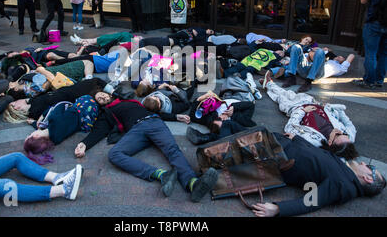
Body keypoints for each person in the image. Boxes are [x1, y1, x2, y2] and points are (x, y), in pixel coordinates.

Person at [74, 92, 219, 202]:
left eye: (103, 94)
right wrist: (84, 144)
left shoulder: (130, 100)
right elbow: (99, 130)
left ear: (109, 94)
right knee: (114, 154)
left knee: (172, 150)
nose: (103, 97)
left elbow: (153, 112)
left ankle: (193, 183)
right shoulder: (108, 113)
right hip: (137, 131)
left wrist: (175, 117)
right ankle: (161, 175)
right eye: (99, 98)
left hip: (154, 122)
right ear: (100, 105)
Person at [251, 132, 385, 217]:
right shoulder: (346, 173)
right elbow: (318, 153)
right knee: (235, 128)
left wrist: (278, 209)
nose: (363, 164)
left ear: (368, 178)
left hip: (275, 156)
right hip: (281, 144)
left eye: (370, 167)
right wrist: (297, 138)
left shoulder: (344, 186)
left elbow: (312, 201)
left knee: (234, 135)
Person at [261, 75, 358, 160]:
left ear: (329, 142)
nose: (339, 131)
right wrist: (330, 107)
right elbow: (347, 122)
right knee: (289, 93)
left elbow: (290, 128)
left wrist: (302, 111)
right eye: (343, 133)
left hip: (295, 107)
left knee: (281, 98)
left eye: (337, 135)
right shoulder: (349, 137)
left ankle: (269, 84)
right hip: (313, 103)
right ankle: (269, 84)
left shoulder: (313, 141)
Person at [23, 95, 99, 165]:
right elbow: (60, 105)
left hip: (85, 121)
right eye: (30, 135)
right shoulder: (53, 119)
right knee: (86, 97)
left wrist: (34, 123)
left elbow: (44, 130)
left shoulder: (55, 140)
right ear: (36, 136)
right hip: (85, 108)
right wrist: (42, 117)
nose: (30, 133)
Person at [3, 77, 107, 124]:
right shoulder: (35, 111)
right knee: (97, 83)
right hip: (73, 94)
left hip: (70, 92)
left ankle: (112, 90)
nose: (18, 100)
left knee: (98, 86)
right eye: (15, 102)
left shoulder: (33, 105)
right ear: (16, 107)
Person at [353, 0, 387, 89]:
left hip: (374, 22)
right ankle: (379, 80)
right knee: (384, 53)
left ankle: (369, 81)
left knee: (371, 53)